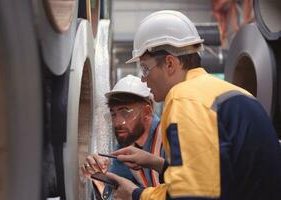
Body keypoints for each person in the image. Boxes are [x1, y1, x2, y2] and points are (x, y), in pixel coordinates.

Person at [105, 10, 281, 200]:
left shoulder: (184, 99)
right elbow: (218, 173)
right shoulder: (230, 93)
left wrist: (135, 194)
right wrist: (157, 164)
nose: (143, 79)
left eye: (146, 68)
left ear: (170, 64)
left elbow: (193, 195)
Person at [80, 75, 167, 200]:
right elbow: (116, 195)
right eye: (113, 114)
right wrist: (99, 178)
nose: (117, 123)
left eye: (125, 112)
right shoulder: (125, 147)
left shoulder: (168, 138)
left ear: (147, 112)